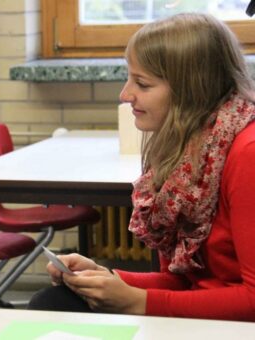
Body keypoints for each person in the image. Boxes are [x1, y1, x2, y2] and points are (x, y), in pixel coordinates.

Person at [28, 13, 255, 321]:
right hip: (209, 316)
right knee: (55, 301)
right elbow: (184, 282)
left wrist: (138, 301)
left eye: (142, 83)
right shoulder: (187, 154)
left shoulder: (247, 154)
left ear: (192, 90)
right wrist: (109, 279)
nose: (125, 95)